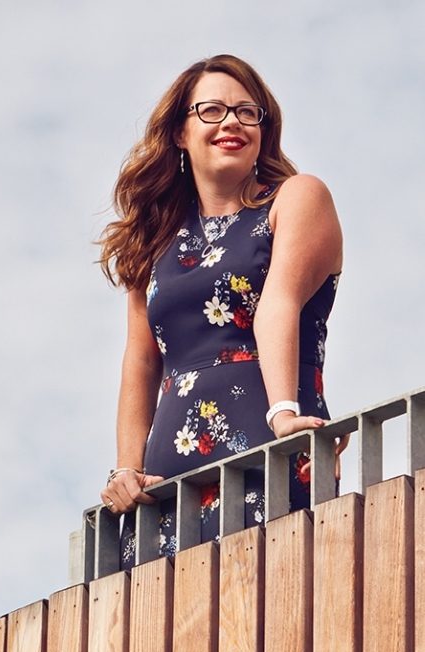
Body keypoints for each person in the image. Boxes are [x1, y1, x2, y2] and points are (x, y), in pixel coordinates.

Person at [96, 54, 347, 566]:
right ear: (180, 133)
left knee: (277, 596)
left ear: (263, 129)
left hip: (269, 444)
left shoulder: (296, 198)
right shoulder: (153, 239)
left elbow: (277, 302)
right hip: (171, 477)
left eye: (246, 112)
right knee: (162, 612)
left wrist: (282, 416)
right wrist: (126, 470)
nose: (231, 122)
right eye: (211, 110)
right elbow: (141, 359)